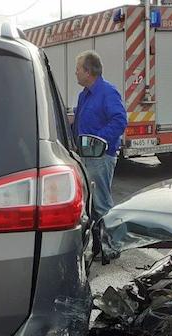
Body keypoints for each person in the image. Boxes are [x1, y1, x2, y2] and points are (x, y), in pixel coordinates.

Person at [72, 50, 127, 221]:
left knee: (101, 205)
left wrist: (97, 142)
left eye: (78, 69)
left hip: (100, 157)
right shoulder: (84, 95)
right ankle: (97, 244)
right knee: (89, 205)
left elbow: (119, 121)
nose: (76, 73)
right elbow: (78, 119)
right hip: (85, 156)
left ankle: (110, 245)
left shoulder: (107, 92)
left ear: (88, 72)